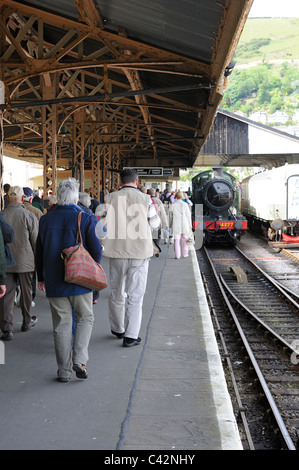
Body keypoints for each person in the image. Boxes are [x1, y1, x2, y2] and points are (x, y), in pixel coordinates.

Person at [35, 178, 102, 382]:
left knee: (62, 325)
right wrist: (92, 267)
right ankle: (79, 360)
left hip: (54, 280)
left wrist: (41, 276)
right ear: (75, 197)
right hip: (80, 279)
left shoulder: (46, 219)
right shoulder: (85, 217)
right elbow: (97, 249)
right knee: (85, 318)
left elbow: (39, 250)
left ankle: (63, 371)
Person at [101, 168, 160, 347]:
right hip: (139, 253)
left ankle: (117, 329)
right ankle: (131, 336)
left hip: (116, 252)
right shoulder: (146, 199)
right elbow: (156, 223)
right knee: (135, 295)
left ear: (120, 182)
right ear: (137, 181)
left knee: (117, 291)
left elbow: (100, 225)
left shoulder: (109, 198)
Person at [0, 186, 38, 341]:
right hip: (25, 261)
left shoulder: (2, 215)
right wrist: (37, 261)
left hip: (7, 262)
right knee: (26, 292)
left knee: (6, 295)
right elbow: (35, 241)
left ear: (8, 198)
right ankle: (26, 322)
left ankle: (7, 328)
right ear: (22, 198)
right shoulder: (28, 215)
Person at [169, 190, 192, 259]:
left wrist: (170, 225)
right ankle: (185, 254)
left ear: (176, 196)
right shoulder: (185, 204)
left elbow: (170, 216)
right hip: (185, 224)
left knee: (176, 240)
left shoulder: (173, 204)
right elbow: (188, 215)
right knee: (184, 240)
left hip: (176, 225)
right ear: (182, 196)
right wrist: (190, 225)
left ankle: (177, 255)